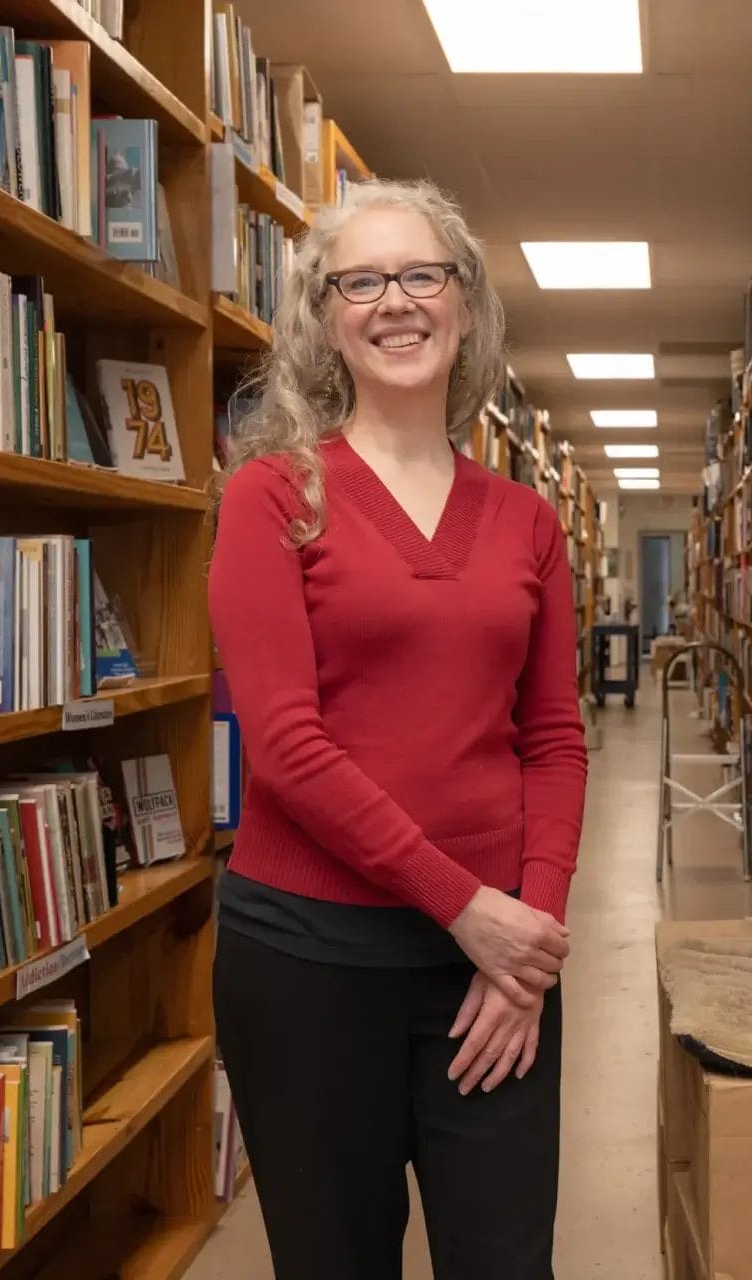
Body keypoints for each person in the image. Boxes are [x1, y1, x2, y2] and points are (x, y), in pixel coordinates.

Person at [207, 177, 589, 1279]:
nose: (395, 302)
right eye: (360, 281)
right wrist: (470, 909)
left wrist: (528, 944)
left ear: (464, 303)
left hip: (493, 972)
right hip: (309, 962)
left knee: (507, 1261)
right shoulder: (273, 496)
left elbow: (554, 736)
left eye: (422, 273)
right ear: (326, 317)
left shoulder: (527, 518)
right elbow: (284, 744)